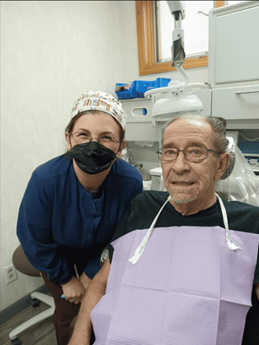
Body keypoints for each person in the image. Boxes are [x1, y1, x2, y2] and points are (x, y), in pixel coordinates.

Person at [69, 115, 259, 345]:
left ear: (221, 164)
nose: (179, 166)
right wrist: (78, 338)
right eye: (170, 152)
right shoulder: (143, 207)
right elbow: (100, 281)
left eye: (196, 152)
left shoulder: (249, 225)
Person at [17, 90, 143, 345]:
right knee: (68, 314)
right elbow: (33, 239)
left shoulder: (130, 182)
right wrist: (67, 279)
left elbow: (124, 236)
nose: (93, 145)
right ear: (68, 139)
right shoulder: (45, 181)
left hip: (101, 249)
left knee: (101, 305)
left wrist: (93, 273)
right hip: (56, 251)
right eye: (83, 135)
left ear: (120, 147)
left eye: (106, 137)